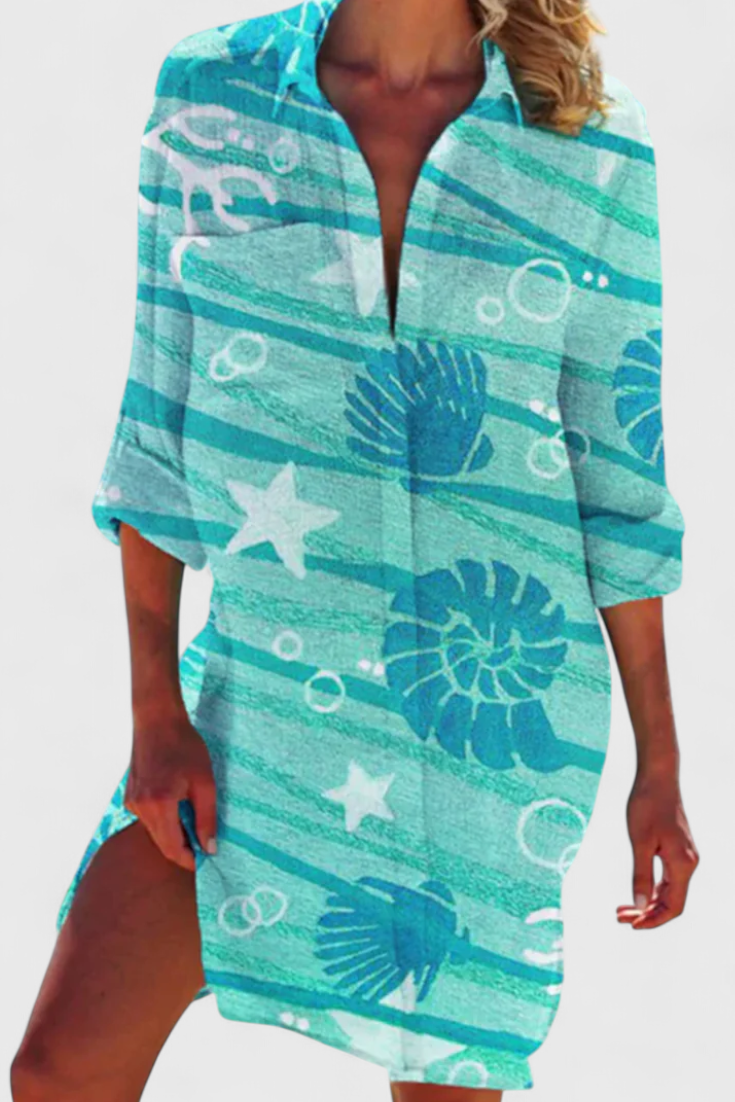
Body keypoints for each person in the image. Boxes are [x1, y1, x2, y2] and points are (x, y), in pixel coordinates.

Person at [11, 1, 699, 1099]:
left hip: (486, 726)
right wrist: (155, 709)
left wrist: (658, 767)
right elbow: (155, 432)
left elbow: (619, 479)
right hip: (262, 694)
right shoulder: (216, 92)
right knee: (61, 1070)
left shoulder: (588, 140)